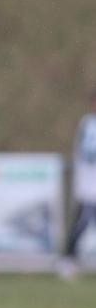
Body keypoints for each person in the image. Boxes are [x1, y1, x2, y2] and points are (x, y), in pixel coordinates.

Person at [59, 89, 96, 279]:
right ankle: (68, 260)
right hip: (89, 186)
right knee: (81, 225)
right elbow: (85, 153)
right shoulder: (88, 125)